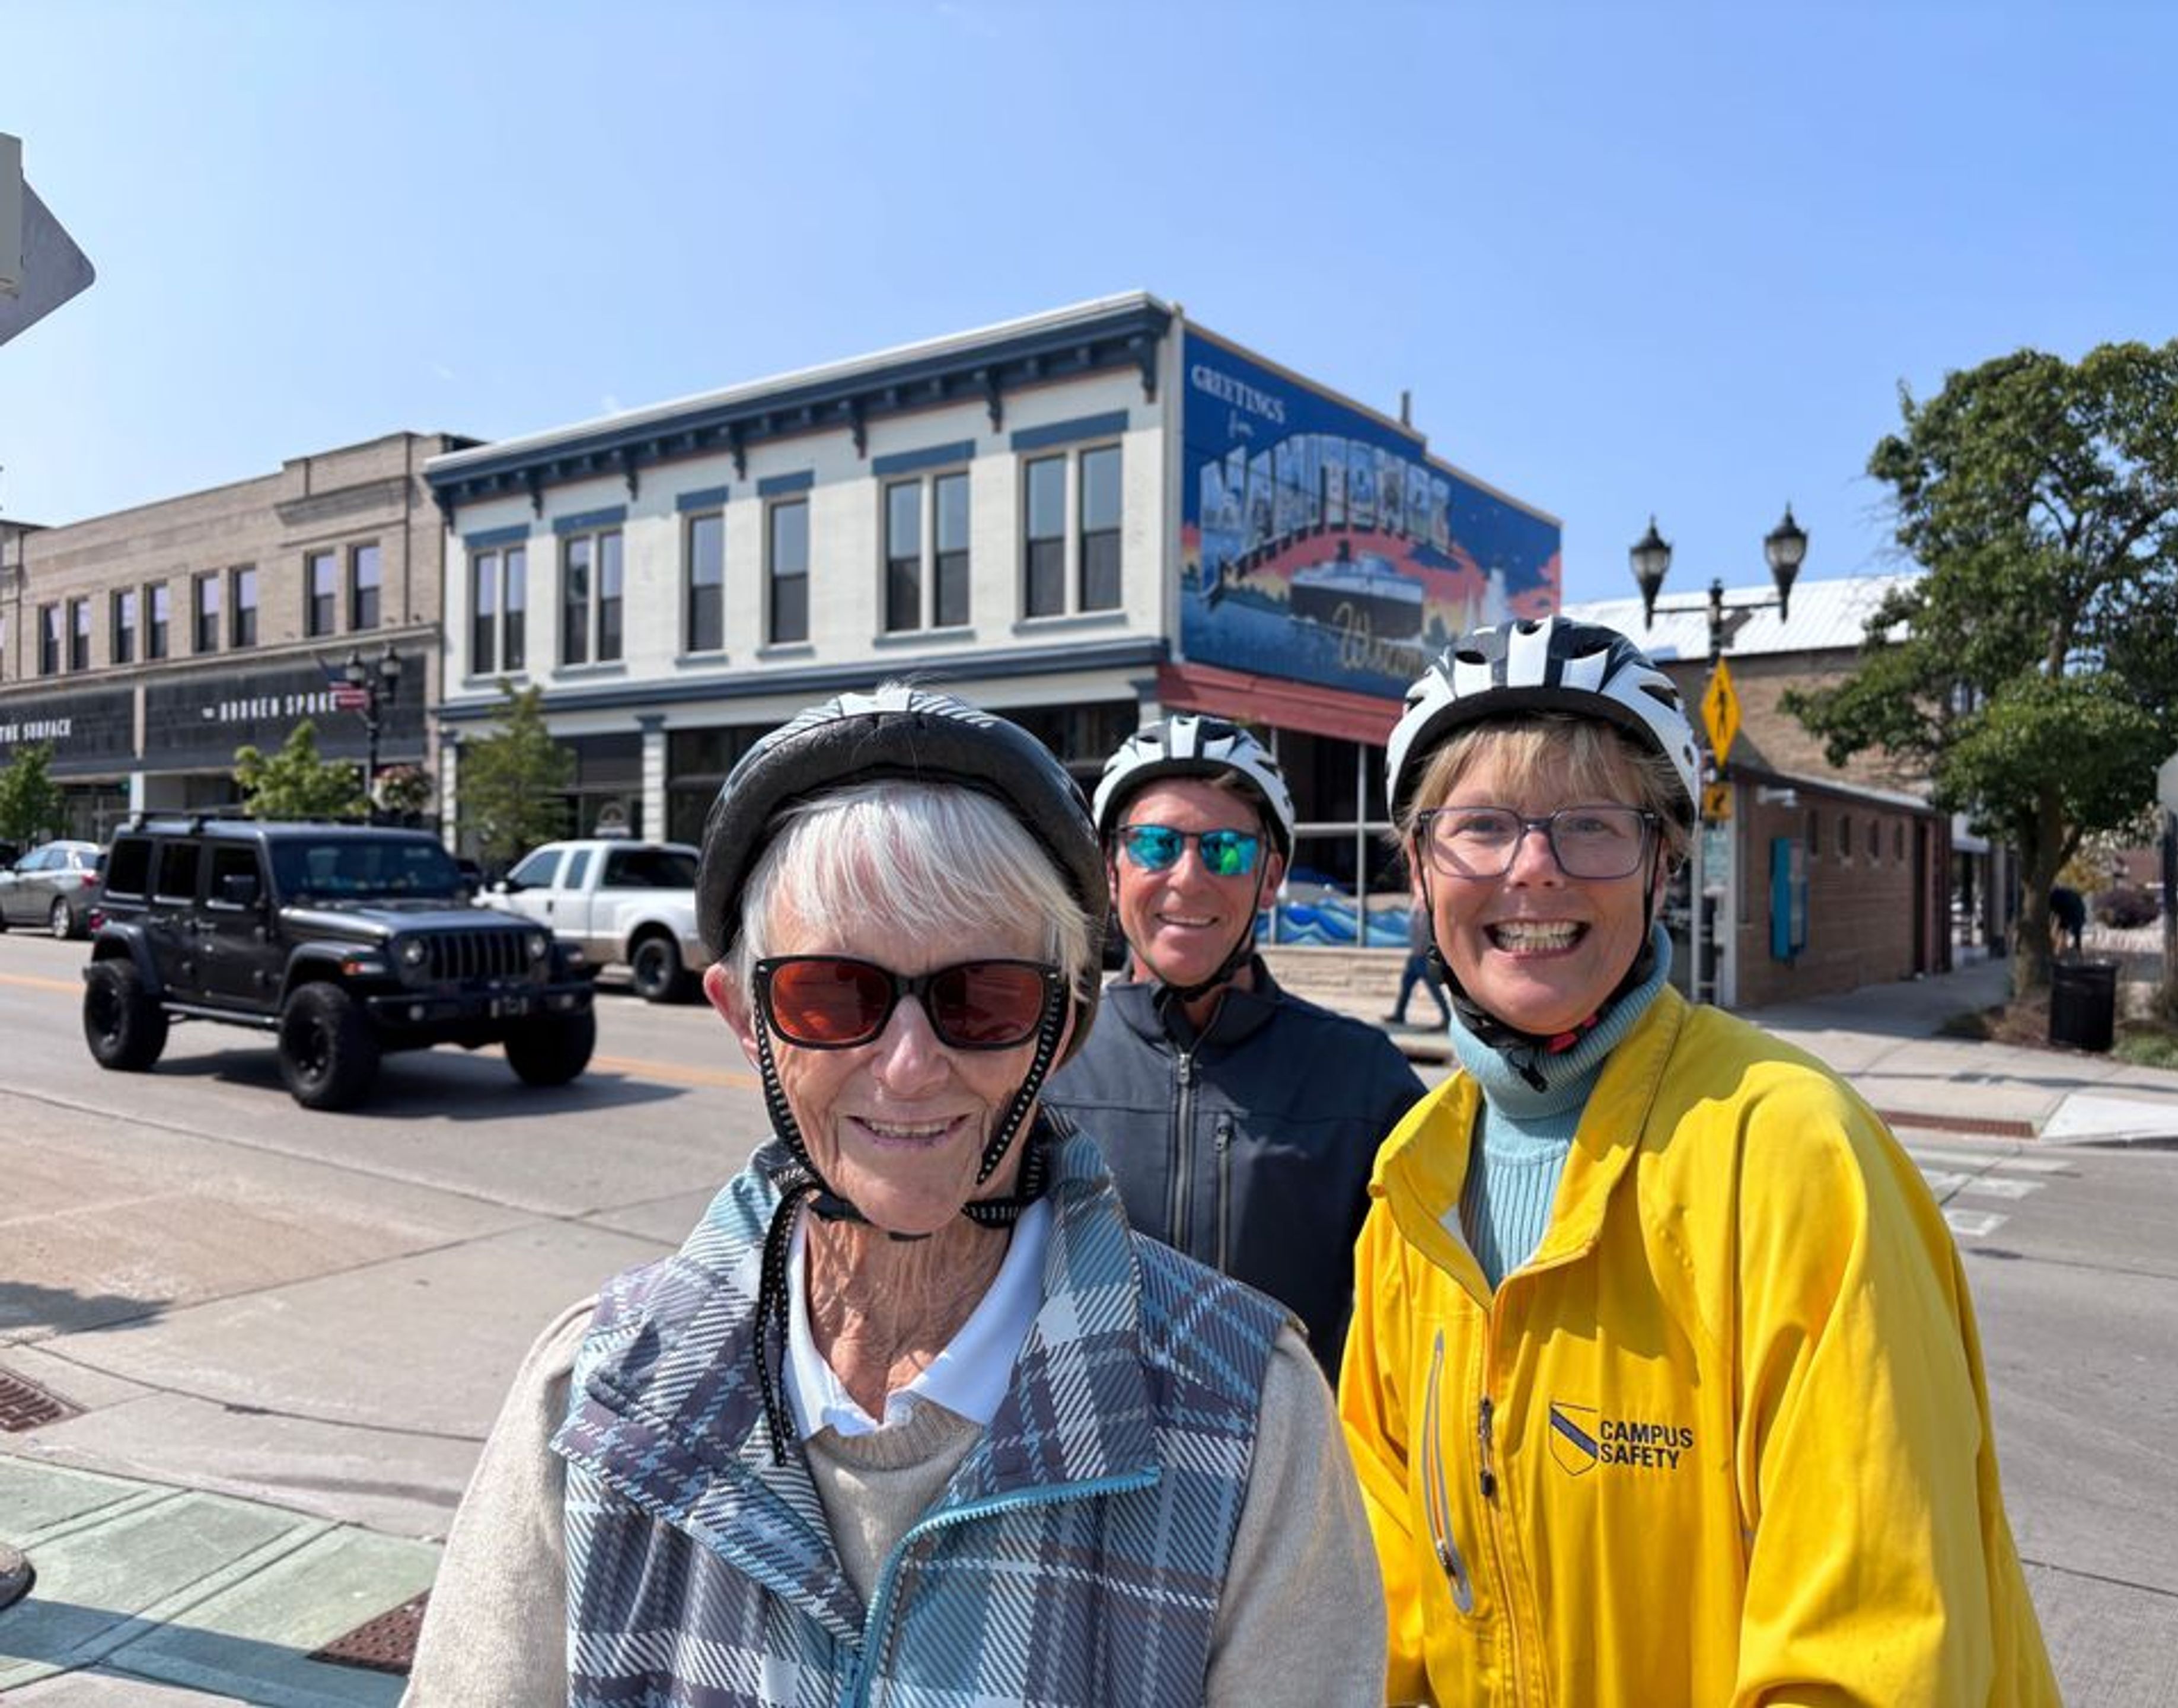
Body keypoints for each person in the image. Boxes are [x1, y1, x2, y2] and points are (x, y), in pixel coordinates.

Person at [406, 686, 1385, 1707]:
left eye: (986, 998)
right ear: (746, 1019)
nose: (911, 1066)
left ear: (1067, 1023)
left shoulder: (1251, 1418)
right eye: (831, 995)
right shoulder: (593, 1397)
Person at [1337, 619, 2058, 1705]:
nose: (1532, 870)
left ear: (1663, 864)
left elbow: (1871, 1657)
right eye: (1479, 827)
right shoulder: (1414, 1180)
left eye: (1590, 826)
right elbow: (1383, 1586)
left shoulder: (1793, 1153)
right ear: (1423, 871)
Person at [1044, 714, 1423, 1375]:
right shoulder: (1041, 1064)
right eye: (1156, 846)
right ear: (1111, 869)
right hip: (1083, 1468)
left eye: (1225, 850)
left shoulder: (1364, 1081)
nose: (1188, 877)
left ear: (1270, 877)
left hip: (1290, 1470)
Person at [1382, 890, 1452, 1030]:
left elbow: (1426, 931)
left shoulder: (1430, 906)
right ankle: (1399, 1015)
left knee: (1433, 988)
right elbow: (1414, 928)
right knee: (1406, 985)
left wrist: (1424, 950)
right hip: (1415, 955)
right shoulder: (1416, 903)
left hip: (1423, 954)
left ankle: (1447, 1018)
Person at [2049, 882, 2087, 958]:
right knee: (2068, 932)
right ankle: (2064, 950)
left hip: (2071, 910)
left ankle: (2060, 951)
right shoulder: (2065, 894)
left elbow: (2055, 914)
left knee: (2062, 930)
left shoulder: (2056, 895)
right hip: (2074, 910)